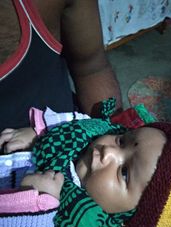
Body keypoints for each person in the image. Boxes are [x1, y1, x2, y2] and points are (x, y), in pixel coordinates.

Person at [0, 103, 171, 227]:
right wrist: (38, 135)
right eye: (122, 141)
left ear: (126, 218)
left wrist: (35, 213)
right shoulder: (85, 134)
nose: (108, 151)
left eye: (124, 172)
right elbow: (76, 121)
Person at [0, 0, 122, 132]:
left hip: (69, 131)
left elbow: (92, 69)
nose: (107, 152)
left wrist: (112, 133)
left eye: (121, 142)